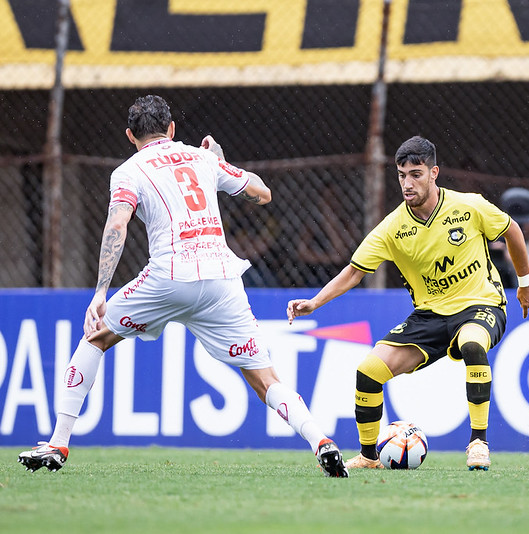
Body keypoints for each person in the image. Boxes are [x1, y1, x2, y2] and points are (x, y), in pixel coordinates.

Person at [18, 95, 348, 478]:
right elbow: (263, 193)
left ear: (130, 136)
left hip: (169, 278)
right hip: (221, 279)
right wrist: (222, 162)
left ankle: (58, 443)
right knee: (265, 379)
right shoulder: (203, 158)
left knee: (95, 337)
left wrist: (100, 292)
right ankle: (319, 440)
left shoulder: (128, 171)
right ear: (172, 129)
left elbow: (118, 224)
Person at [287, 136, 529, 471]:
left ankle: (478, 443)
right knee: (368, 371)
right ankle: (369, 457)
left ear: (434, 173)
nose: (408, 183)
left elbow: (512, 230)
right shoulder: (393, 227)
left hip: (481, 304)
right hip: (430, 315)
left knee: (472, 343)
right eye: (402, 175)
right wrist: (315, 303)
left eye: (416, 174)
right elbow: (354, 271)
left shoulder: (469, 206)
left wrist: (525, 282)